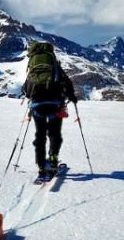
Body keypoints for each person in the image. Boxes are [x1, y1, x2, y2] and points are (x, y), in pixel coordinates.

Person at [22, 41, 78, 179]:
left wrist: (31, 97)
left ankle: (41, 166)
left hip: (37, 106)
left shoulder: (32, 66)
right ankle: (53, 161)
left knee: (40, 135)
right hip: (55, 105)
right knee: (54, 133)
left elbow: (25, 88)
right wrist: (72, 97)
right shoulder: (54, 65)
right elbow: (67, 83)